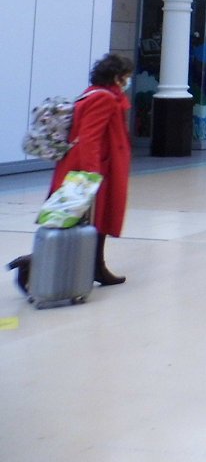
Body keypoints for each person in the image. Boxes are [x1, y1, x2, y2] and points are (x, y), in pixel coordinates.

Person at [19, 53, 135, 288]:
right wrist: (91, 176)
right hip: (94, 168)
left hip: (89, 166)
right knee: (78, 220)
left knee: (86, 221)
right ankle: (32, 264)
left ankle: (96, 266)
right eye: (126, 76)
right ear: (116, 76)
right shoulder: (104, 99)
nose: (127, 81)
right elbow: (89, 138)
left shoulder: (93, 93)